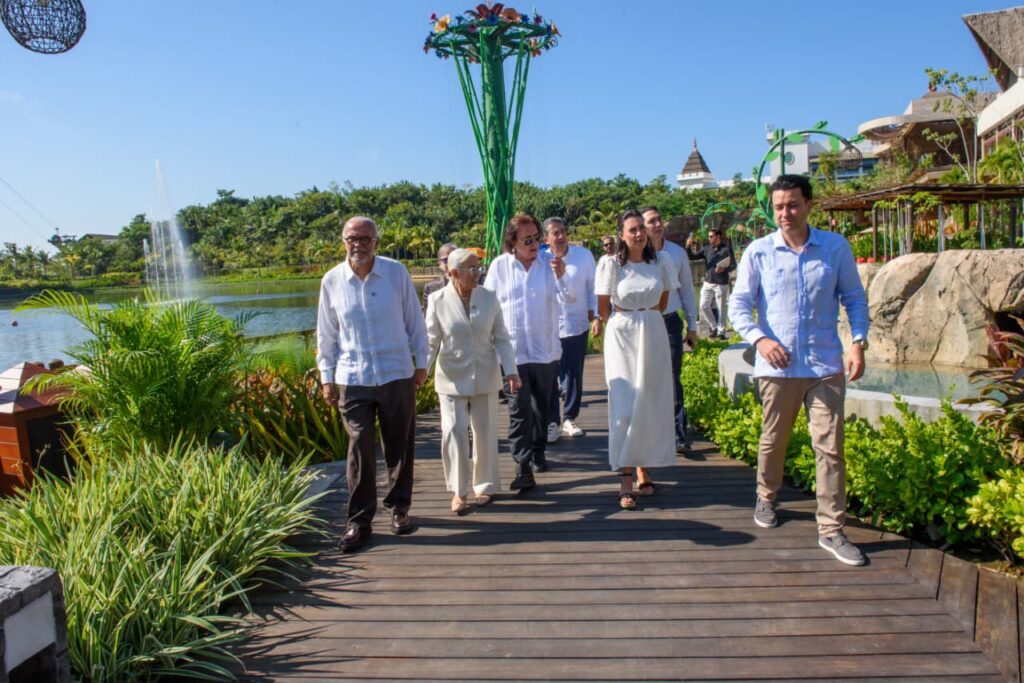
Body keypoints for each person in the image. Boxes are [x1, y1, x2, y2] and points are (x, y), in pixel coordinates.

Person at [728, 174, 869, 566]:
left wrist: (857, 341)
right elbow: (738, 306)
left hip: (825, 363)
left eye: (792, 204)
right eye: (778, 207)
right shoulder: (759, 251)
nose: (785, 213)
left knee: (830, 447)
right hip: (777, 366)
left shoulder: (835, 248)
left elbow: (854, 299)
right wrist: (760, 340)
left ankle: (831, 528)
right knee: (774, 440)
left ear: (809, 205)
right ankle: (767, 496)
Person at [317, 216, 430, 553]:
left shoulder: (396, 273)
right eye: (352, 238)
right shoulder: (332, 281)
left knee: (399, 445)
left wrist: (421, 363)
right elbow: (327, 335)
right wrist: (326, 377)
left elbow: (415, 321)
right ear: (343, 241)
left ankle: (399, 509)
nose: (359, 244)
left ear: (377, 242)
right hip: (352, 378)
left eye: (366, 238)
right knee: (359, 447)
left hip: (396, 372)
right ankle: (359, 520)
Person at [484, 213, 575, 492]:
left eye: (537, 237)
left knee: (540, 408)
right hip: (512, 353)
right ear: (513, 241)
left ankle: (538, 451)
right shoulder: (499, 267)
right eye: (527, 239)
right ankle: (522, 466)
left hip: (545, 350)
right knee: (518, 409)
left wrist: (561, 276)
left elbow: (570, 298)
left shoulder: (551, 266)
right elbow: (488, 304)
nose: (534, 243)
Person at [593, 210, 678, 509]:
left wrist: (645, 316)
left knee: (650, 401)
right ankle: (625, 476)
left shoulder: (662, 262)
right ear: (621, 235)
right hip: (622, 333)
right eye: (633, 229)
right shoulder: (610, 265)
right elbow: (604, 306)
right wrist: (624, 321)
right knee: (625, 403)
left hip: (653, 331)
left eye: (642, 227)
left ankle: (644, 466)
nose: (640, 233)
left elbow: (663, 301)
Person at [425, 249, 521, 514]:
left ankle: (485, 485)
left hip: (485, 374)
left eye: (479, 267)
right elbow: (431, 340)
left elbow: (501, 336)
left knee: (485, 432)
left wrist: (511, 371)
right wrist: (420, 370)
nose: (477, 272)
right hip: (451, 377)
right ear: (453, 273)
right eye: (471, 268)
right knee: (454, 432)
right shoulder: (437, 300)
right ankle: (459, 490)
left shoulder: (488, 298)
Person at [640, 206, 698, 452]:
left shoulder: (676, 253)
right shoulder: (636, 255)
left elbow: (687, 290)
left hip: (671, 320)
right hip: (645, 322)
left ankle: (678, 433)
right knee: (646, 378)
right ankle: (652, 432)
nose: (657, 224)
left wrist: (692, 326)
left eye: (658, 219)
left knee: (673, 377)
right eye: (651, 221)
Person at [542, 217, 597, 442]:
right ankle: (553, 421)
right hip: (548, 327)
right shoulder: (540, 259)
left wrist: (596, 315)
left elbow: (594, 286)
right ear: (546, 238)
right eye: (555, 233)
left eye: (563, 231)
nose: (561, 236)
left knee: (574, 374)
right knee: (550, 376)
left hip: (576, 323)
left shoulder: (584, 256)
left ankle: (569, 418)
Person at [686, 226, 736, 339]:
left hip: (721, 282)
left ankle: (721, 332)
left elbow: (733, 265)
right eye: (709, 236)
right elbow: (692, 257)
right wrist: (688, 246)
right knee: (703, 305)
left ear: (718, 236)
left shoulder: (726, 249)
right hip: (708, 281)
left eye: (712, 236)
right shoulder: (706, 248)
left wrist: (724, 269)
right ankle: (714, 327)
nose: (709, 238)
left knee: (721, 308)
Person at [422, 242, 458, 311]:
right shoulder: (431, 288)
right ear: (439, 263)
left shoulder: (471, 284)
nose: (451, 263)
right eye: (446, 260)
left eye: (455, 259)